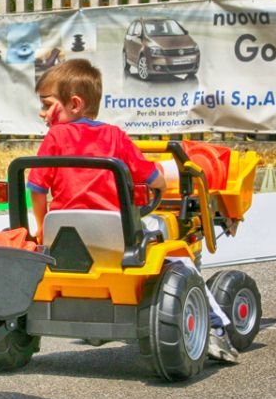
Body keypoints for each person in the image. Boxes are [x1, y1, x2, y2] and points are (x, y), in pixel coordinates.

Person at [25, 58, 239, 363]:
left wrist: (40, 226)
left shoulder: (54, 139)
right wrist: (161, 187)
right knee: (178, 254)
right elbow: (152, 178)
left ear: (74, 104)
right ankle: (215, 327)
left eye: (47, 105)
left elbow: (36, 188)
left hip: (61, 241)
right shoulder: (115, 137)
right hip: (115, 241)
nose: (42, 112)